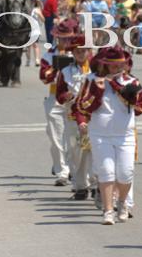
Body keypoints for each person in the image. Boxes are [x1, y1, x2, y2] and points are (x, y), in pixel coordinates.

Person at [77, 47, 142, 225]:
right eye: (111, 66)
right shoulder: (92, 80)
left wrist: (124, 92)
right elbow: (82, 106)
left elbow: (140, 108)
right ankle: (108, 210)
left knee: (125, 173)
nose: (115, 69)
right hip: (100, 134)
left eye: (119, 66)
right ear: (105, 65)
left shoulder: (132, 81)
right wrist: (97, 92)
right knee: (106, 172)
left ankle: (122, 202)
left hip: (125, 135)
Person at [39, 19, 78, 186]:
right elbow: (44, 78)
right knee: (56, 138)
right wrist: (57, 65)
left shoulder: (80, 53)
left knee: (74, 138)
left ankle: (74, 168)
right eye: (62, 39)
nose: (65, 42)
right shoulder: (49, 55)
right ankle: (62, 171)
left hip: (76, 100)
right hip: (55, 98)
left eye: (69, 38)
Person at [55, 35, 93, 200]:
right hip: (72, 117)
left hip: (91, 118)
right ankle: (80, 186)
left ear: (88, 51)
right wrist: (66, 96)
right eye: (77, 51)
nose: (80, 54)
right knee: (75, 152)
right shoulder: (65, 72)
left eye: (83, 51)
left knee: (90, 152)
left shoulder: (97, 70)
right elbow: (59, 94)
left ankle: (95, 184)